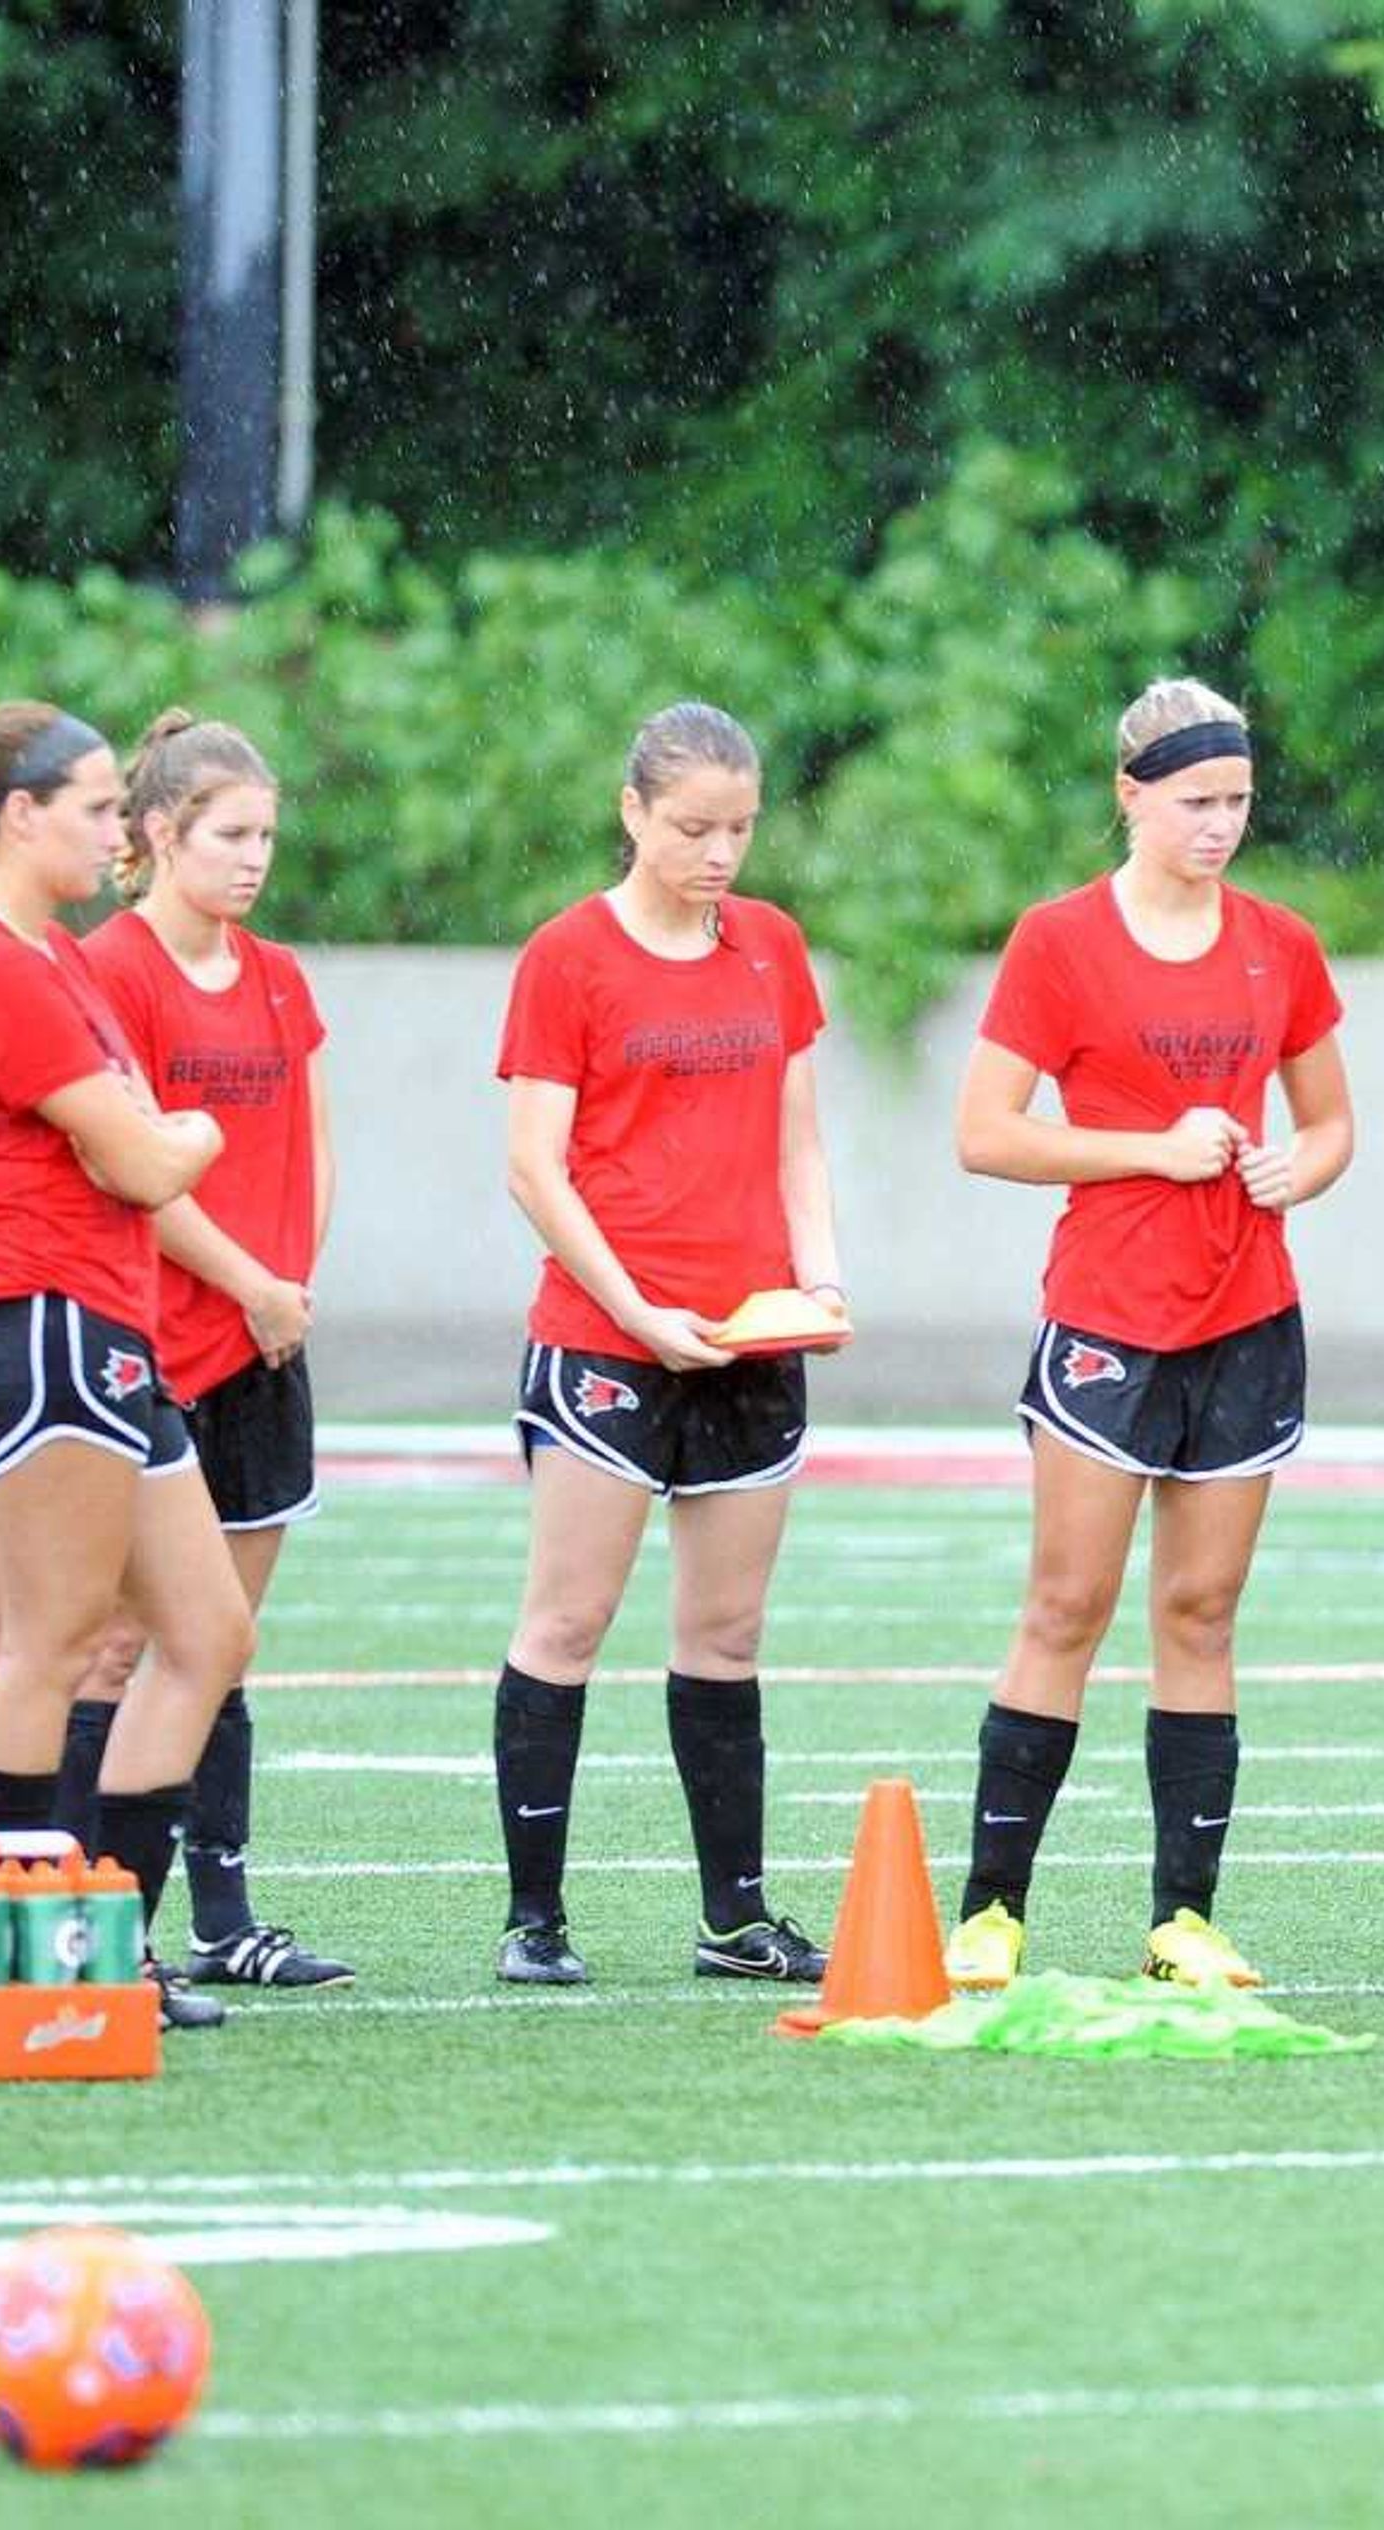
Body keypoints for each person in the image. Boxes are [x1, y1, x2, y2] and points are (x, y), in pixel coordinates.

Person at [946, 678, 1353, 1993]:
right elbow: (987, 1130)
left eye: (1237, 800)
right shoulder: (1058, 942)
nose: (1220, 824)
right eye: (1195, 801)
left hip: (1249, 1312)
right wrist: (1157, 1150)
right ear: (1131, 794)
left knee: (1202, 1608)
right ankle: (992, 1912)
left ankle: (1186, 1916)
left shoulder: (1279, 943)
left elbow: (1334, 1119)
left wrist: (1307, 1166)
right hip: (1110, 1313)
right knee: (1067, 1602)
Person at [486, 701, 843, 1988]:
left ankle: (736, 1916)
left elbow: (798, 1137)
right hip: (608, 1340)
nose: (719, 853)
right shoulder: (569, 957)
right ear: (633, 811)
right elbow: (536, 1169)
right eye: (693, 826)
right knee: (569, 1622)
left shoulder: (770, 948)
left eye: (740, 827)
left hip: (750, 1339)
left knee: (727, 1635)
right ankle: (536, 1919)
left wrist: (820, 1277)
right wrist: (639, 1314)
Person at [0, 701, 250, 2031]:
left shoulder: (48, 958)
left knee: (208, 1631)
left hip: (102, 1324)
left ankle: (103, 1931)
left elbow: (136, 1149)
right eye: (101, 808)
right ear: (20, 816)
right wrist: (206, 1121)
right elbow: (146, 1158)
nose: (120, 831)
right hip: (39, 1315)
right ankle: (19, 1950)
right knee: (46, 1641)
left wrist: (168, 1131)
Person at [71, 712, 351, 1991]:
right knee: (129, 1646)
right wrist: (246, 1281)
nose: (254, 859)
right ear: (158, 835)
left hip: (265, 1344)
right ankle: (81, 1910)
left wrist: (289, 1282)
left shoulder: (280, 975)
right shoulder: (113, 970)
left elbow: (312, 1136)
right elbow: (124, 1165)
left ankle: (222, 1917)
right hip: (161, 1344)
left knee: (221, 1638)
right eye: (231, 836)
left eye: (268, 836)